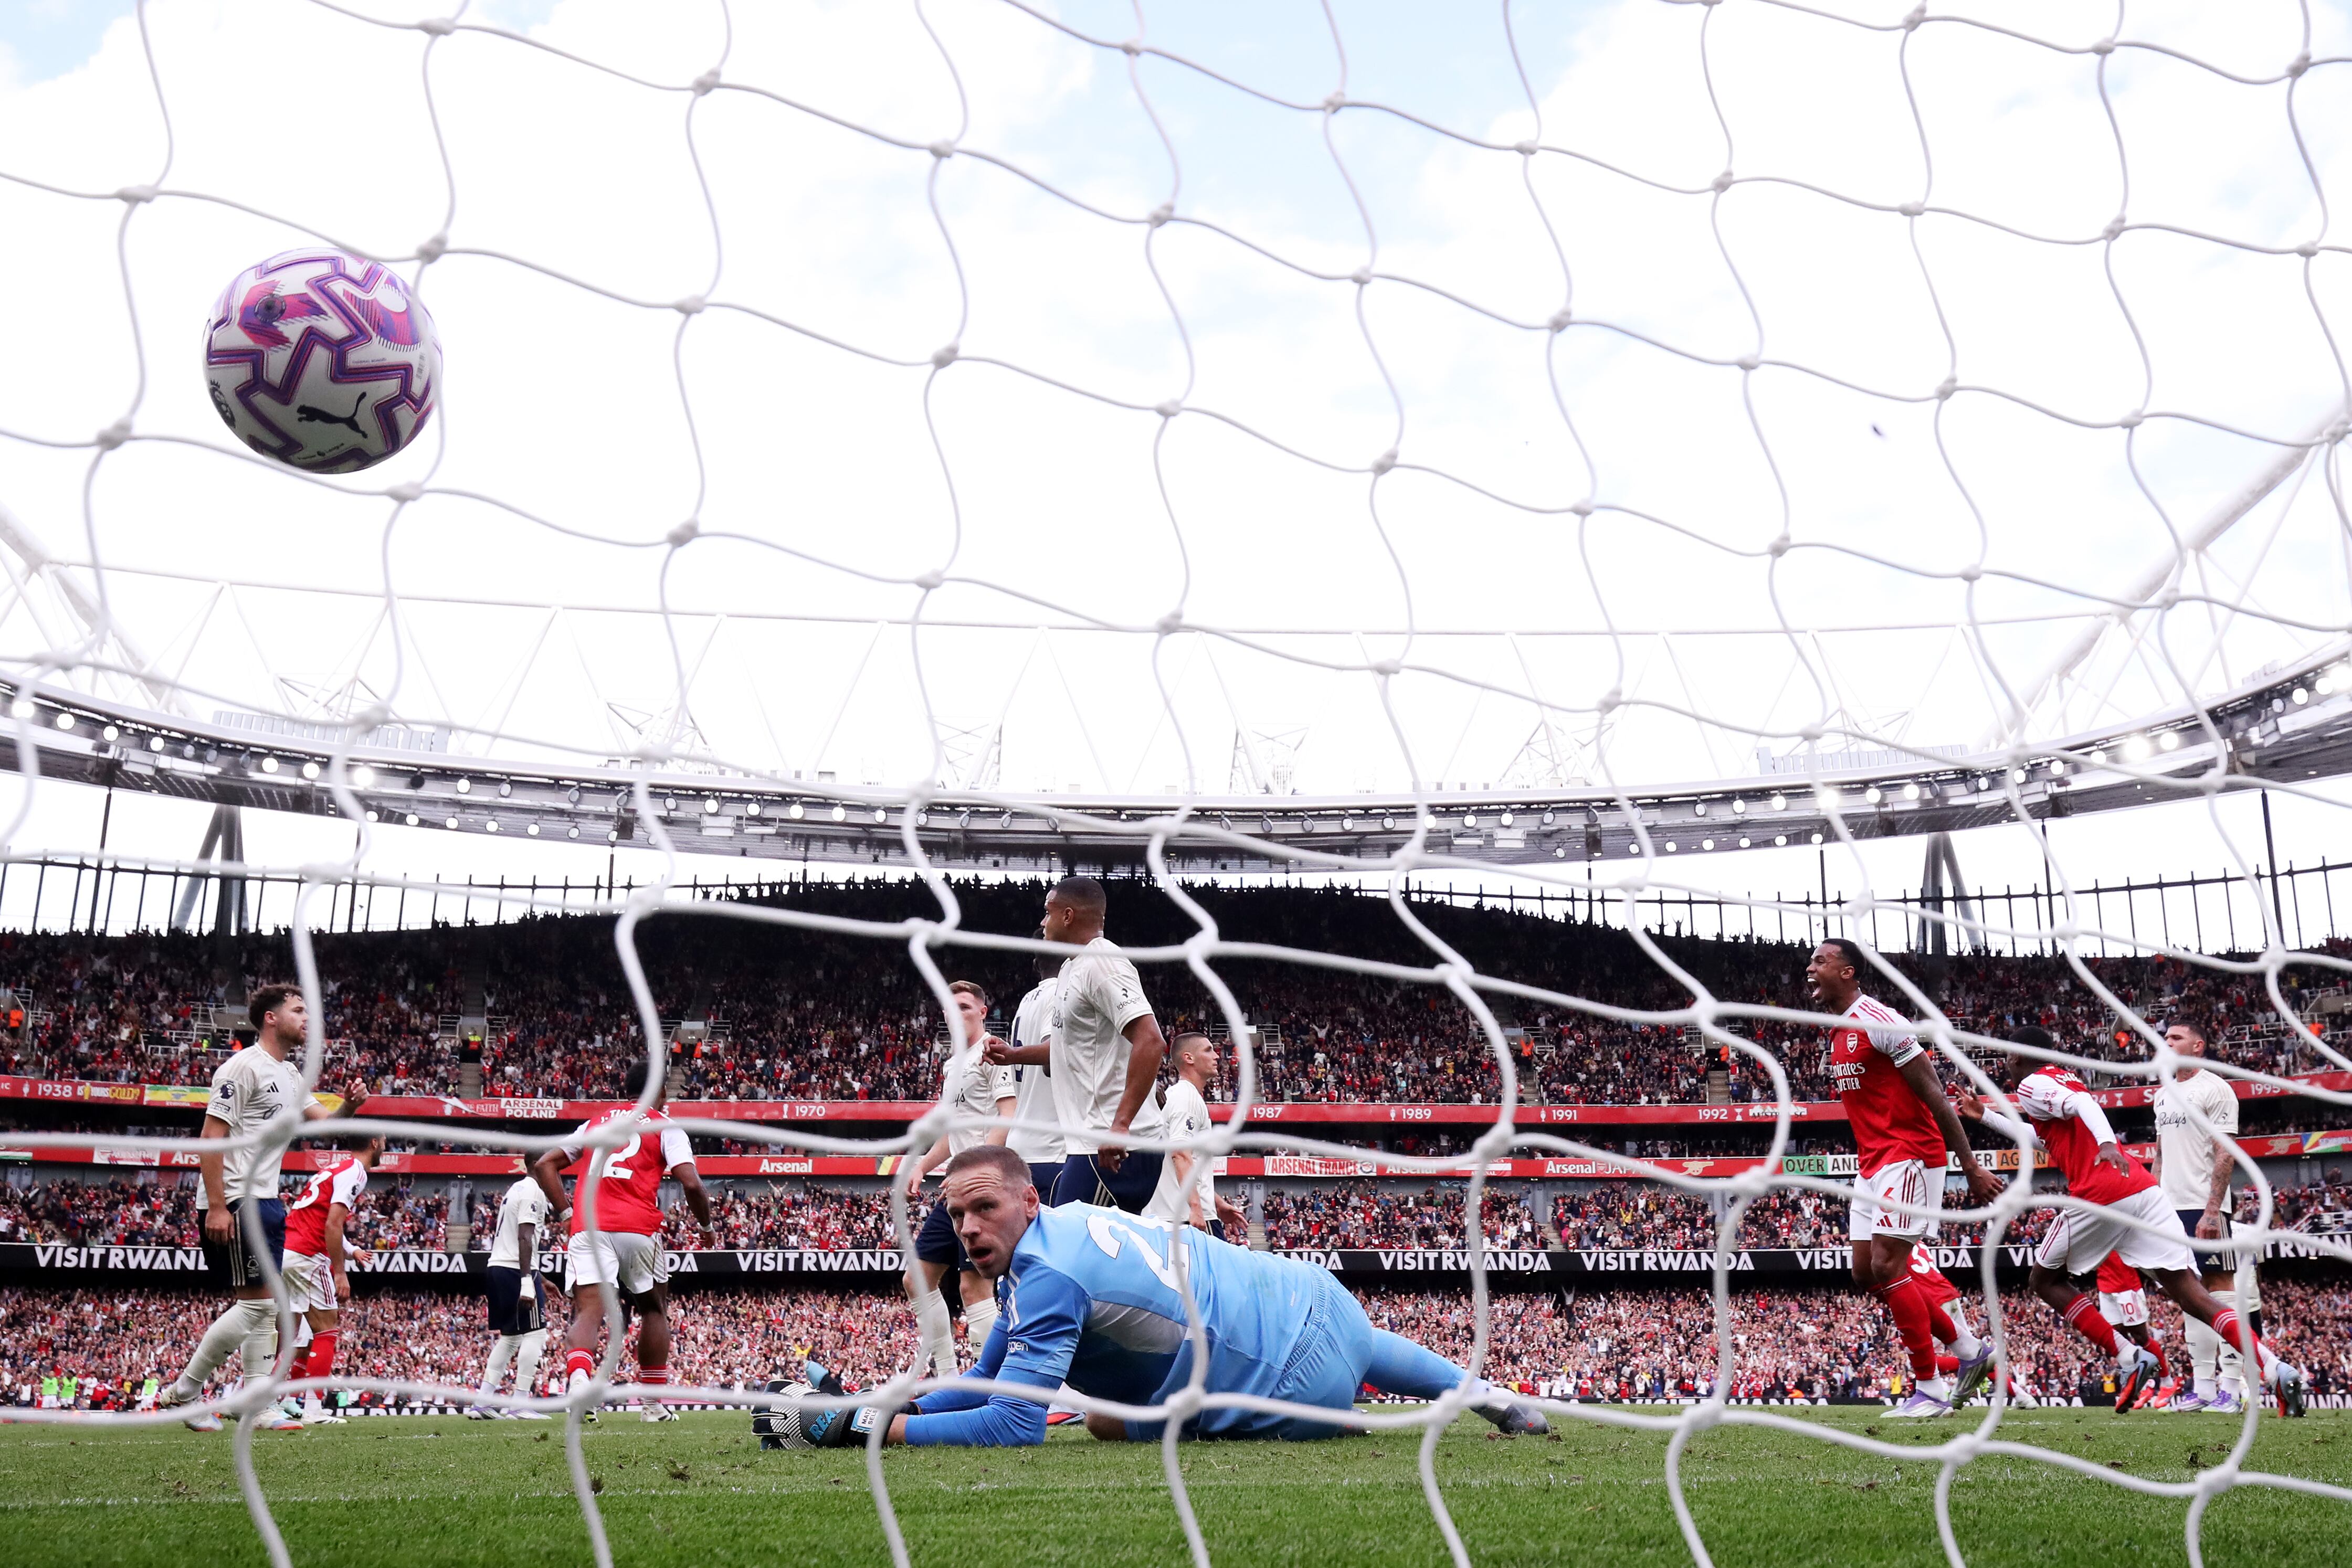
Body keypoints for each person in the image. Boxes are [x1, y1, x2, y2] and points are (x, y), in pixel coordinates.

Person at [773, 1146, 1548, 1448]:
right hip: (1316, 1293)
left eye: (984, 1209)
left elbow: (1014, 1424)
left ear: (1028, 1202)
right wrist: (875, 1402)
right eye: (956, 1215)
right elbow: (984, 1383)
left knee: (1111, 1423)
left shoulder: (1045, 1278)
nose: (968, 1228)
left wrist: (873, 1433)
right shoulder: (1063, 1228)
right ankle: (1489, 1397)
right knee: (1366, 1344)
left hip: (1293, 1377)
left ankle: (1323, 1419)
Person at [1957, 1027, 2304, 1417]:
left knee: (2043, 1280)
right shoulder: (2058, 1078)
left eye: (2004, 1057)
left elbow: (2082, 1106)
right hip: (2143, 1189)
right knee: (2192, 1293)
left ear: (2015, 1056)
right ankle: (2275, 1369)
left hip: (2101, 1194)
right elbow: (2046, 1139)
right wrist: (1984, 1116)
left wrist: (2106, 1143)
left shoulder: (2033, 1084)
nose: (2003, 1065)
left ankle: (2128, 1357)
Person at [1804, 939, 2002, 1418]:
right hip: (1873, 1162)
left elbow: (1935, 1096)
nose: (1809, 968)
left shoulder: (1880, 1021)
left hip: (1909, 1156)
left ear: (1848, 972)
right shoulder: (1836, 1031)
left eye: (1819, 961)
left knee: (1890, 1266)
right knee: (1864, 1272)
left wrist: (1970, 1166)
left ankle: (1931, 1389)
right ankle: (1970, 1348)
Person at [157, 984, 365, 1433]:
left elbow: (327, 1126)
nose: (307, 1019)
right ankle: (187, 1393)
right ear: (270, 1018)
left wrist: (349, 1103)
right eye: (298, 1010)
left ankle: (252, 1405)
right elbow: (212, 1138)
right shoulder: (241, 1068)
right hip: (236, 1199)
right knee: (258, 1308)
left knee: (265, 1308)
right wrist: (217, 1206)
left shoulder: (290, 1074)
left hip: (269, 1201)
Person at [530, 1055, 716, 1423]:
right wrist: (707, 1228)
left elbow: (544, 1165)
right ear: (659, 1092)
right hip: (637, 1227)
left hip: (590, 1226)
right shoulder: (666, 1126)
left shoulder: (595, 1122)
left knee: (589, 1310)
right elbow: (692, 1183)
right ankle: (652, 1405)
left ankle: (581, 1380)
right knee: (652, 1308)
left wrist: (568, 1214)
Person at [987, 877, 1168, 1212]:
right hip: (1090, 1144)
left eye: (1048, 912)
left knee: (1068, 1248)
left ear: (1067, 916)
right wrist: (1012, 1055)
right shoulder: (1072, 967)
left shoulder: (1103, 963)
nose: (1043, 921)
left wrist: (1121, 1125)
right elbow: (1064, 1048)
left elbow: (1151, 1040)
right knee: (1090, 1253)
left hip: (1114, 1145)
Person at [901, 980, 1016, 1379]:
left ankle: (988, 1383)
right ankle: (948, 1379)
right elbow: (952, 1135)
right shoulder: (952, 1066)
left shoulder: (992, 1052)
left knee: (974, 1288)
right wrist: (920, 1165)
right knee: (916, 1280)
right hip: (956, 1189)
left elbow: (1008, 1116)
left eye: (966, 1007)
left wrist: (978, 1172)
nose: (957, 1014)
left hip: (982, 1189)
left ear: (983, 1012)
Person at [2151, 1018, 2247, 1412]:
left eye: (2176, 1038)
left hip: (2204, 1207)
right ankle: (2203, 1387)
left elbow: (2225, 1153)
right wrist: (2152, 1205)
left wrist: (2212, 1210)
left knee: (2219, 1286)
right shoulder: (2162, 1095)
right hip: (2169, 1209)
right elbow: (2158, 1156)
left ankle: (2233, 1385)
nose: (2167, 1043)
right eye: (2165, 1038)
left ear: (2197, 1047)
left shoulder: (2215, 1089)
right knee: (2188, 1294)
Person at [276, 1131, 385, 1425]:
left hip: (288, 1251)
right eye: (384, 1142)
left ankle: (271, 1401)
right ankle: (313, 1410)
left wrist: (352, 1251)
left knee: (295, 1337)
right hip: (308, 1256)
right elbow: (332, 1224)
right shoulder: (356, 1173)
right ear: (374, 1143)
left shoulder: (336, 1168)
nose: (385, 1147)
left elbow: (320, 1216)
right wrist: (340, 1272)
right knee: (327, 1329)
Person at [1143, 1032, 1247, 1237]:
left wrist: (1218, 1204)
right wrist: (1197, 1208)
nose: (1217, 1056)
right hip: (1188, 1218)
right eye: (1208, 1050)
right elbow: (1180, 1154)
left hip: (1172, 1216)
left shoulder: (1174, 1095)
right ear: (1189, 1058)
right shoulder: (1186, 1098)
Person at [469, 1172, 555, 1419]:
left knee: (510, 1339)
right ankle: (519, 1403)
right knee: (536, 1334)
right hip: (515, 1270)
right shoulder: (533, 1192)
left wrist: (542, 1278)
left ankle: (483, 1402)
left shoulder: (515, 1189)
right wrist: (528, 1280)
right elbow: (524, 1236)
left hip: (498, 1266)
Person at [1004, 934, 1066, 1196]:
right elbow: (1052, 1056)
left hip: (1023, 1144)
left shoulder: (1027, 1000)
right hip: (1052, 1148)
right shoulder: (1060, 993)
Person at [2092, 1252, 2168, 1407]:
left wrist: (2159, 1282)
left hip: (2127, 1288)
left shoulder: (2122, 1227)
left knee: (2141, 1337)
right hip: (2105, 1288)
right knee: (2118, 1341)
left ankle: (2167, 1383)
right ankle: (2138, 1387)